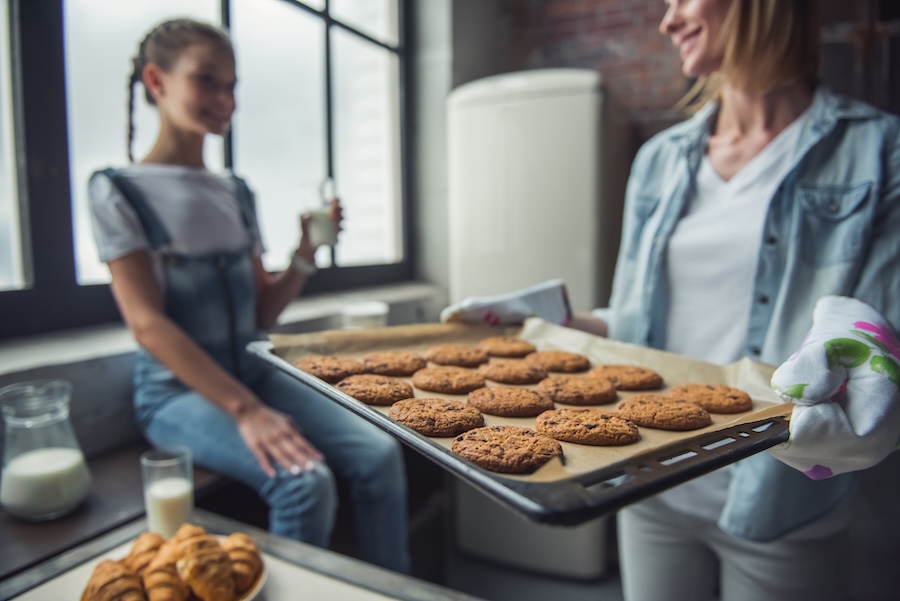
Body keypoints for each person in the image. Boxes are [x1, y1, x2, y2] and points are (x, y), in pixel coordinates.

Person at [444, 1, 899, 599]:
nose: (669, 20)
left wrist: (864, 359)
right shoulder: (660, 160)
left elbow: (877, 335)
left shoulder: (877, 149)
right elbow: (639, 325)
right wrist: (547, 324)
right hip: (649, 475)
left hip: (783, 495)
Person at [87, 18, 410, 573]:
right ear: (157, 81)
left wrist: (305, 251)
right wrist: (247, 411)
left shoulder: (236, 191)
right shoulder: (117, 190)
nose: (225, 100)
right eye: (206, 80)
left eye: (232, 86)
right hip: (177, 393)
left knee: (379, 452)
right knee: (305, 484)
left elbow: (262, 311)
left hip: (254, 372)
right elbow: (147, 325)